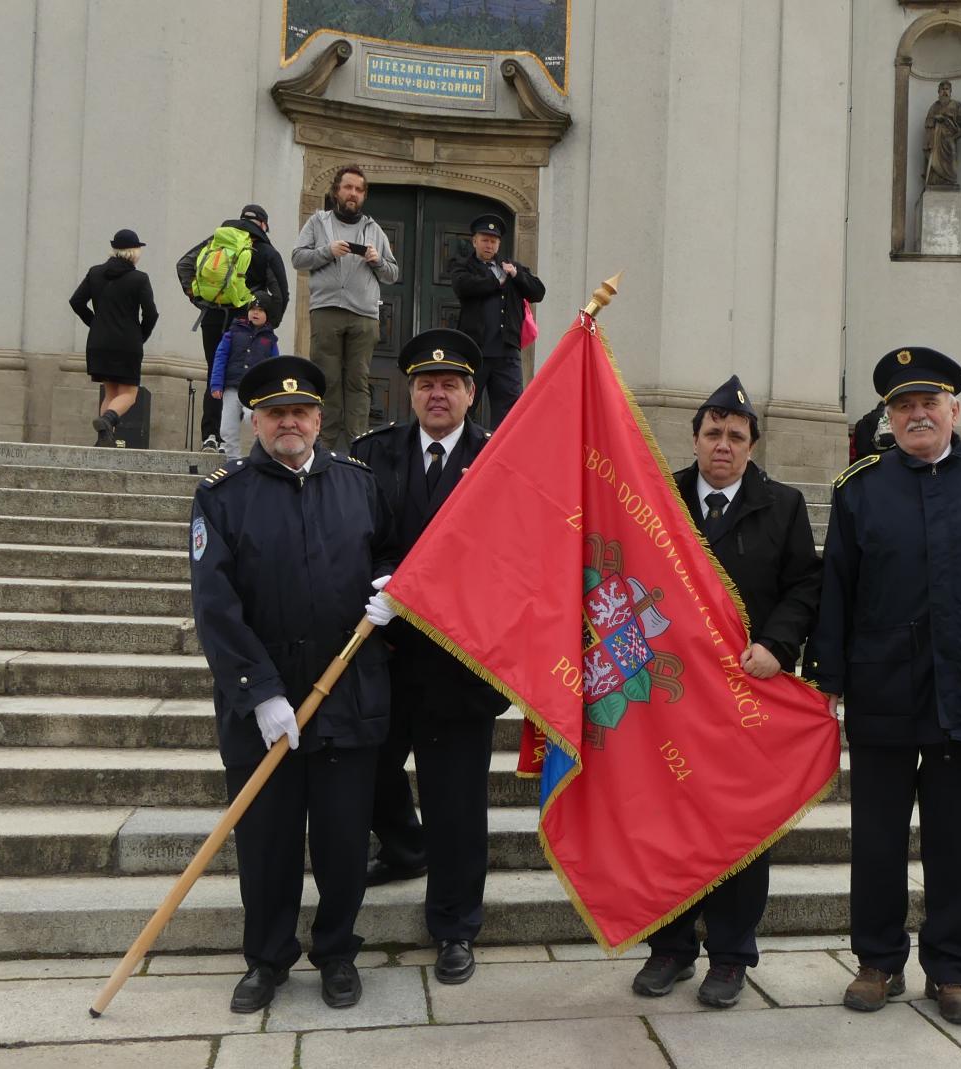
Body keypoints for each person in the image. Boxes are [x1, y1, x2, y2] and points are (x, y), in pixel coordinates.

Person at [806, 346, 961, 1026]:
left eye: (928, 403)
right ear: (889, 416)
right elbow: (838, 589)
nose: (917, 415)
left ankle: (951, 969)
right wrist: (826, 674)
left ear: (954, 409)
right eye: (903, 406)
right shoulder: (859, 487)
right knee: (877, 834)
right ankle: (877, 961)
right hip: (882, 683)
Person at [189, 354, 397, 1014]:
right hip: (264, 705)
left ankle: (336, 952)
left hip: (347, 694)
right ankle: (267, 957)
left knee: (342, 842)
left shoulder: (359, 485)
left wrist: (396, 589)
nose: (291, 422)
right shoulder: (223, 496)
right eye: (276, 413)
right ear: (255, 421)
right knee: (268, 844)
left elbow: (389, 552)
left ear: (318, 417)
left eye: (302, 410)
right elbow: (214, 605)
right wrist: (261, 691)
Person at [632, 375, 821, 1009]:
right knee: (668, 821)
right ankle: (670, 947)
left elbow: (804, 587)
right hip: (669, 699)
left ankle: (733, 956)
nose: (723, 444)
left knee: (741, 828)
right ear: (694, 439)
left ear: (752, 445)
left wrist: (777, 645)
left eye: (736, 436)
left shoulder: (783, 505)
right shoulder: (657, 499)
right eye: (713, 433)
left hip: (747, 697)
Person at [350, 328, 507, 986]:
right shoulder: (370, 454)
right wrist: (383, 576)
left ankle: (454, 925)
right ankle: (405, 846)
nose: (436, 393)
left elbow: (512, 558)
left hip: (458, 663)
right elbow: (355, 534)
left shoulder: (502, 460)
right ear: (410, 392)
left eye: (450, 384)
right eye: (424, 384)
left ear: (471, 393)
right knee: (373, 773)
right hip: (385, 657)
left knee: (456, 805)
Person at [291, 164, 399, 448]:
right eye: (348, 187)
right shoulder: (318, 222)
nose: (353, 193)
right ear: (336, 190)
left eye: (358, 189)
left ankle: (357, 446)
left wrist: (377, 260)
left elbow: (392, 274)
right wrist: (327, 251)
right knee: (327, 379)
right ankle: (324, 445)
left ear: (364, 195)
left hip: (364, 316)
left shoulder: (374, 229)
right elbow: (298, 259)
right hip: (327, 310)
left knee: (358, 382)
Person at [178, 204, 290, 452]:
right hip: (246, 322)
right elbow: (280, 293)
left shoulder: (216, 241)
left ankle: (210, 435)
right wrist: (269, 325)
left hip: (212, 316)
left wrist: (198, 298)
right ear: (263, 224)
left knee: (215, 373)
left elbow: (184, 265)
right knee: (244, 379)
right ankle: (235, 439)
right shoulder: (266, 251)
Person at [448, 213, 545, 428]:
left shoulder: (511, 267)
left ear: (499, 243)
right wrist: (498, 279)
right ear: (474, 241)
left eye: (493, 241)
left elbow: (538, 292)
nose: (489, 245)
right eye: (484, 240)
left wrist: (517, 275)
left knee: (509, 414)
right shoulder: (463, 265)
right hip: (474, 353)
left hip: (507, 354)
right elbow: (464, 286)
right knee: (463, 409)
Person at [70, 229, 159, 447]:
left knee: (111, 392)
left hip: (99, 342)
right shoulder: (139, 278)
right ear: (134, 252)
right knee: (129, 394)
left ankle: (104, 439)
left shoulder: (95, 273)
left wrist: (95, 323)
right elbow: (151, 314)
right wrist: (141, 336)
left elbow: (76, 302)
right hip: (127, 343)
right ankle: (107, 420)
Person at [209, 294, 280, 461]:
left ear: (267, 315)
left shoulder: (270, 339)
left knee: (254, 420)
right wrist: (216, 384)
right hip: (232, 388)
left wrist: (273, 390)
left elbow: (274, 367)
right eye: (253, 309)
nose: (255, 313)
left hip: (255, 392)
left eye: (260, 310)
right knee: (227, 427)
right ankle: (231, 461)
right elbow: (220, 357)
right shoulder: (233, 332)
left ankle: (261, 457)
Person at [923, 81, 961, 189]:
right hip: (936, 140)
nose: (945, 91)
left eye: (947, 89)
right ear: (938, 92)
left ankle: (951, 181)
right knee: (934, 161)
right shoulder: (934, 107)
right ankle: (935, 181)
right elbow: (928, 122)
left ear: (950, 91)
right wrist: (935, 118)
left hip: (950, 138)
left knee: (951, 159)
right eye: (943, 89)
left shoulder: (956, 105)